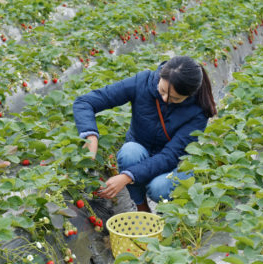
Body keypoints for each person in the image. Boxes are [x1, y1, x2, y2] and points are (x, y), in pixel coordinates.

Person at [73, 55, 217, 212]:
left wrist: (127, 176)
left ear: (189, 95)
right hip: (142, 152)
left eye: (175, 98)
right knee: (129, 152)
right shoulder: (142, 82)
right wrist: (91, 136)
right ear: (160, 75)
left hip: (174, 164)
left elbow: (170, 156)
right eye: (161, 91)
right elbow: (85, 102)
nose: (165, 99)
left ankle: (172, 216)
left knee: (158, 188)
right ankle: (142, 208)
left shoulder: (198, 111)